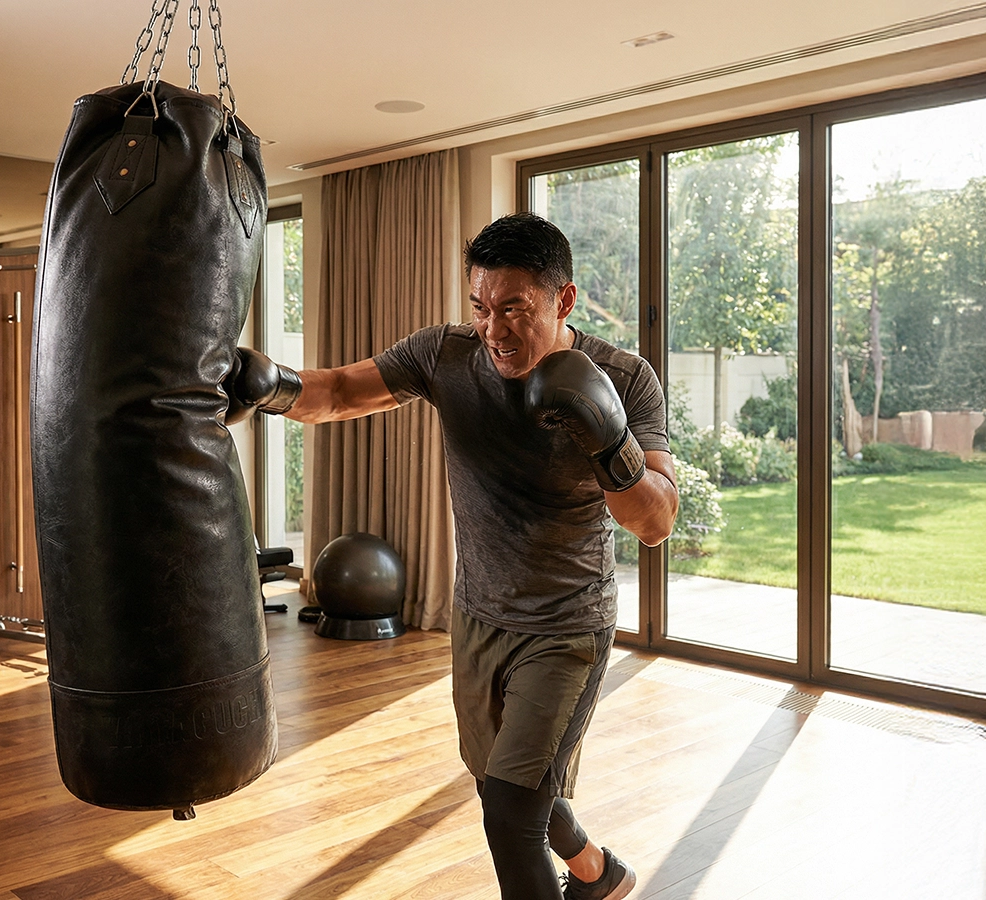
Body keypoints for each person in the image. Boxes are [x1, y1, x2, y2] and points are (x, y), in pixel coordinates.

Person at [225, 212, 679, 900]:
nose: (493, 329)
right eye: (480, 307)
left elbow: (655, 522)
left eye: (513, 308)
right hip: (478, 616)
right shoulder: (446, 354)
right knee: (501, 782)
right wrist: (273, 387)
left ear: (563, 299)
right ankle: (599, 873)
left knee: (511, 814)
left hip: (566, 627)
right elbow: (340, 392)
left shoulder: (624, 377)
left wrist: (608, 440)